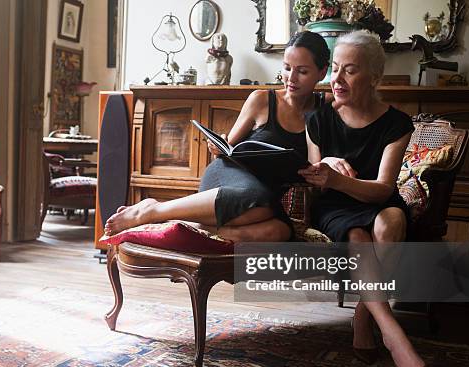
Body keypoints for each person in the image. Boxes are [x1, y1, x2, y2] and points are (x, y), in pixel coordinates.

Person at [104, 31, 329, 242]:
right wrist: (218, 146)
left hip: (267, 196)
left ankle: (189, 225)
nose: (291, 78)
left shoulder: (325, 108)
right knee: (256, 201)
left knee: (278, 231)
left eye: (302, 71)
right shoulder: (261, 99)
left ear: (321, 72)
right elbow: (228, 147)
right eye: (288, 68)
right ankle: (153, 210)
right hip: (231, 175)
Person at [298, 30, 428, 367]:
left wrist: (337, 178)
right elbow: (315, 175)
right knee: (356, 235)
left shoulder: (397, 124)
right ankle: (392, 333)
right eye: (335, 69)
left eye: (350, 71)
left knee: (390, 222)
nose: (336, 79)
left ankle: (363, 311)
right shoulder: (319, 120)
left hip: (375, 199)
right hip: (335, 207)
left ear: (374, 77)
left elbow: (384, 189)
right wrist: (328, 161)